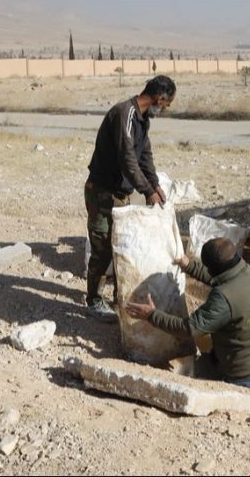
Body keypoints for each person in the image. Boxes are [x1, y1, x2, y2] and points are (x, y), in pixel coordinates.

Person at [125, 237, 250, 394]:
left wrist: (151, 315)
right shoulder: (244, 270)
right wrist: (189, 265)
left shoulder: (223, 298)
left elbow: (190, 329)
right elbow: (218, 277)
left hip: (247, 380)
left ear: (214, 269)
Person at [84, 74, 176, 321]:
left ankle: (118, 296)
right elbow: (127, 159)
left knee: (119, 248)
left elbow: (144, 155)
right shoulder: (125, 114)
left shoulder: (143, 120)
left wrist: (155, 185)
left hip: (120, 195)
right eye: (165, 105)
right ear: (159, 98)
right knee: (102, 249)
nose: (163, 110)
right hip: (102, 191)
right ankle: (93, 299)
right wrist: (147, 191)